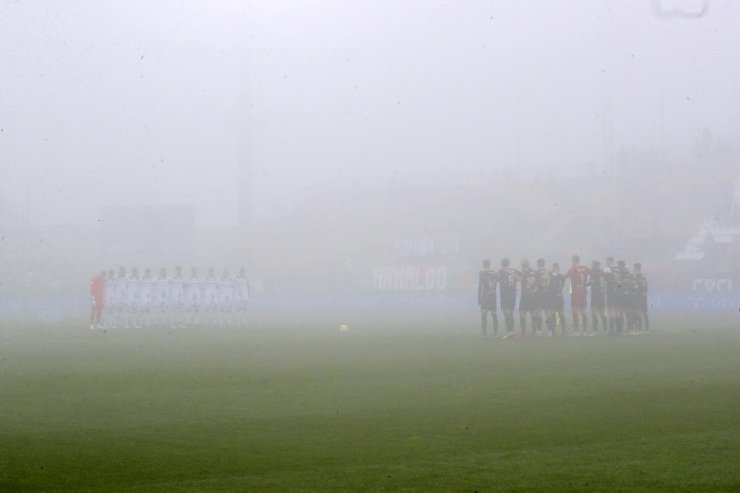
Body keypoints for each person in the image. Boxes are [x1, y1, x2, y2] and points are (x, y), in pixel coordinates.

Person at [565, 255, 590, 335]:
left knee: (575, 311)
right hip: (583, 290)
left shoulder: (573, 269)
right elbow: (594, 273)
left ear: (573, 261)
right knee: (583, 311)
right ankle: (585, 331)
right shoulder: (584, 268)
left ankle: (576, 331)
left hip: (575, 291)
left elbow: (565, 277)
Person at [498, 258, 519, 339]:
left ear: (502, 264)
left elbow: (496, 279)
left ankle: (510, 332)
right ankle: (511, 332)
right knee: (510, 313)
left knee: (507, 313)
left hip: (505, 295)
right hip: (513, 294)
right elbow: (520, 278)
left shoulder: (500, 271)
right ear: (509, 263)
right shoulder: (514, 270)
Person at [477, 260, 499, 336]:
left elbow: (480, 286)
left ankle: (484, 334)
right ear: (489, 264)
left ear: (483, 265)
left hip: (485, 296)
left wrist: (479, 298)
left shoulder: (482, 273)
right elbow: (499, 280)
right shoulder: (495, 273)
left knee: (484, 314)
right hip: (493, 295)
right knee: (494, 314)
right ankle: (495, 333)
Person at [588, 260, 608, 334]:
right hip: (601, 295)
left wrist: (584, 286)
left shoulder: (593, 273)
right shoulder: (602, 272)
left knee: (595, 312)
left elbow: (591, 282)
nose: (591, 266)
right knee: (602, 313)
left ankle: (595, 330)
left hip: (596, 295)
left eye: (592, 264)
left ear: (595, 265)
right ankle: (605, 330)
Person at [547, 262, 566, 336]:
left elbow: (548, 284)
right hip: (559, 296)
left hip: (554, 297)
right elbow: (562, 286)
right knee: (560, 313)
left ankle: (553, 331)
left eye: (553, 267)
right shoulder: (561, 276)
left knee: (553, 313)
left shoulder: (552, 276)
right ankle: (562, 331)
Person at [519, 259, 536, 338]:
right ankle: (534, 332)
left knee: (522, 313)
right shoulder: (533, 271)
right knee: (533, 313)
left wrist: (513, 274)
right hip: (532, 295)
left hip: (525, 295)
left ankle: (523, 333)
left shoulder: (524, 272)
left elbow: (521, 279)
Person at [533, 258, 550, 336]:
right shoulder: (548, 272)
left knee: (538, 313)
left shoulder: (536, 272)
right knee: (547, 313)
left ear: (539, 264)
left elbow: (536, 283)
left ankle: (539, 331)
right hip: (547, 294)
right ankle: (550, 331)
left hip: (539, 294)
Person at [633, 263, 649, 332]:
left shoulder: (637, 276)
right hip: (643, 296)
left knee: (637, 312)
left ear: (636, 268)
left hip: (638, 296)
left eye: (634, 267)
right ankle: (647, 328)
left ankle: (639, 328)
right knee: (644, 312)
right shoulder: (643, 276)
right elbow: (646, 286)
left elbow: (637, 287)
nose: (633, 269)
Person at [604, 257, 618, 335]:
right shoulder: (617, 270)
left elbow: (607, 280)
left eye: (607, 261)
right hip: (617, 292)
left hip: (610, 292)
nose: (606, 263)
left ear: (610, 261)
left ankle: (611, 331)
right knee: (615, 311)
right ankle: (617, 330)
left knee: (610, 310)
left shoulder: (607, 270)